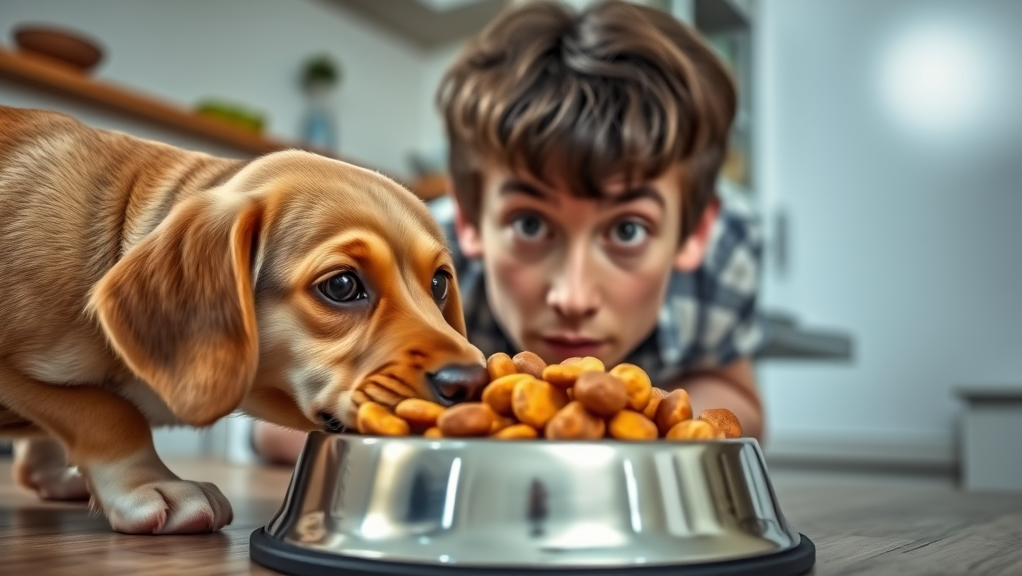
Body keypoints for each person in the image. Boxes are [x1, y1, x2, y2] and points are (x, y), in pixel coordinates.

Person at [252, 0, 766, 464]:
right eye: (530, 224)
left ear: (693, 234)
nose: (572, 297)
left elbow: (734, 404)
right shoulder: (421, 252)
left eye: (628, 230)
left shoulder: (726, 253)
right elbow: (273, 429)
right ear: (469, 219)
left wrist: (631, 423)